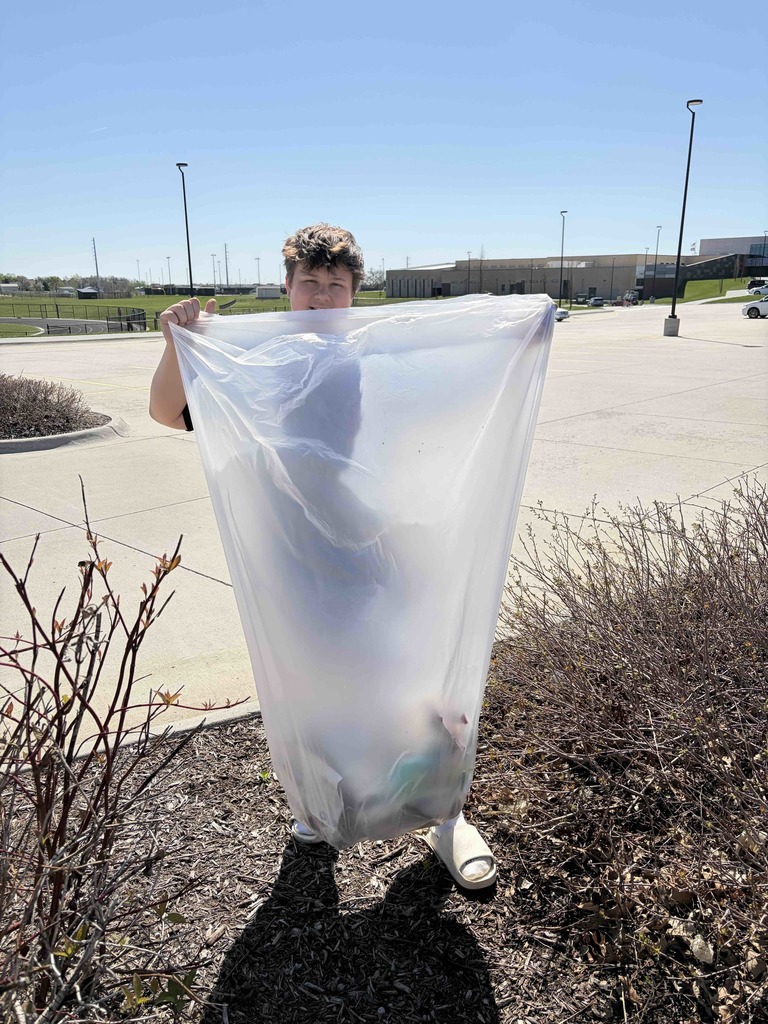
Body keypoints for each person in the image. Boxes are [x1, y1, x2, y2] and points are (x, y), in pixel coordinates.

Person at [149, 223, 497, 889]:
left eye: (335, 285)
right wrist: (179, 344)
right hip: (289, 548)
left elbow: (454, 376)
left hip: (368, 537)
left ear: (352, 296)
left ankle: (447, 814)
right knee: (308, 679)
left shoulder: (371, 352)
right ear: (286, 286)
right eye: (308, 282)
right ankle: (321, 801)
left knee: (411, 669)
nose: (320, 295)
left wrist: (517, 331)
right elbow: (168, 411)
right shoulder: (253, 361)